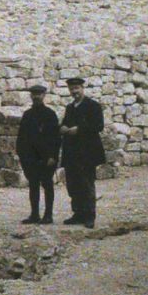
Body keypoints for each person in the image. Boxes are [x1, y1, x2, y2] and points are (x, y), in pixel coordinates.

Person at [59, 77, 105, 227]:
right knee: (73, 185)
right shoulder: (70, 107)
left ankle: (89, 216)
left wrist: (79, 130)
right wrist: (63, 127)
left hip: (87, 153)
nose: (74, 92)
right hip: (72, 153)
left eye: (77, 88)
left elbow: (98, 125)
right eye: (71, 89)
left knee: (86, 184)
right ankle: (78, 214)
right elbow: (65, 123)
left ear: (82, 88)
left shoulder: (93, 106)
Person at [14, 83, 60, 224]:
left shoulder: (50, 115)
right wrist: (22, 156)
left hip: (46, 158)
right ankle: (34, 214)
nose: (36, 97)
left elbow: (56, 138)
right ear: (31, 96)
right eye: (34, 94)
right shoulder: (27, 115)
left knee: (47, 184)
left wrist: (53, 156)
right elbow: (21, 137)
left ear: (44, 95)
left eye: (39, 94)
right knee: (33, 185)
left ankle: (48, 215)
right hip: (30, 158)